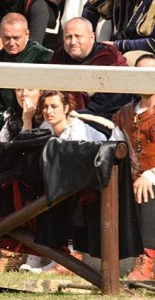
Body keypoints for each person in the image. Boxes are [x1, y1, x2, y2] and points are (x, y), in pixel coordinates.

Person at [111, 54, 155, 281]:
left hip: (151, 182)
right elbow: (113, 150)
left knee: (146, 188)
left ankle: (148, 260)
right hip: (133, 180)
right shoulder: (123, 115)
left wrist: (151, 174)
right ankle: (78, 254)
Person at [51, 17, 134, 119]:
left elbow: (110, 102)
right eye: (68, 37)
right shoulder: (59, 56)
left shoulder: (109, 59)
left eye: (78, 36)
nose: (72, 42)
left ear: (92, 37)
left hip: (100, 118)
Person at [0, 13, 54, 121]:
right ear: (0, 34)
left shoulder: (43, 57)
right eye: (7, 38)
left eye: (16, 38)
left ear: (27, 34)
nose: (11, 43)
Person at [38, 90, 107, 140]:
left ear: (65, 108)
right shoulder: (45, 127)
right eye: (45, 107)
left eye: (54, 106)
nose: (48, 111)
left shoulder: (78, 132)